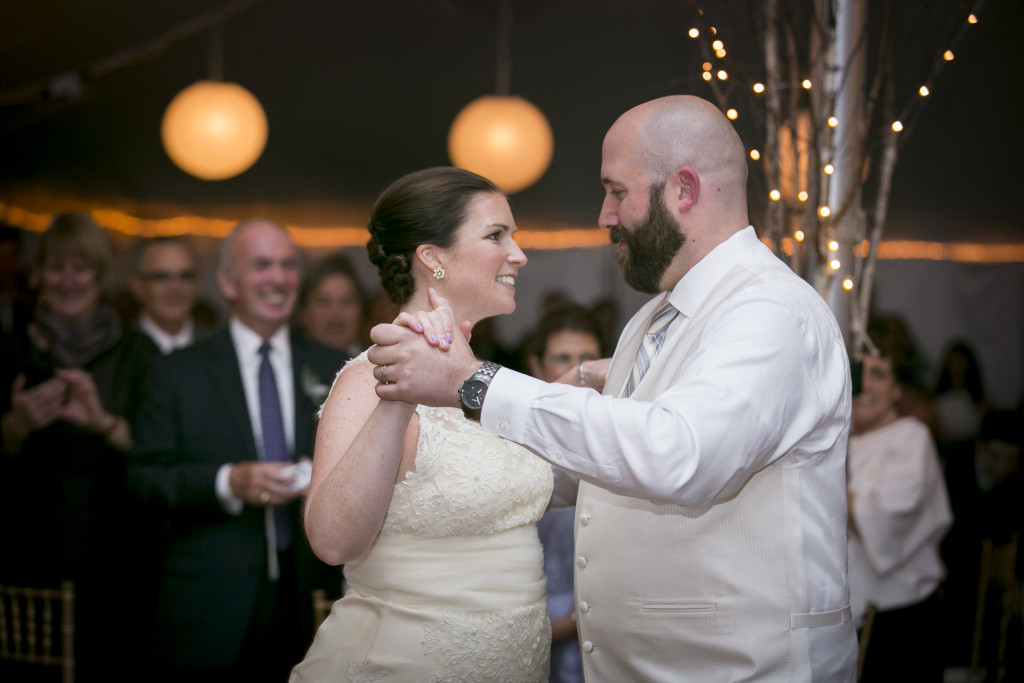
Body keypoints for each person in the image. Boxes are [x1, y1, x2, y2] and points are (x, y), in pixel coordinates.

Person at [368, 95, 857, 681]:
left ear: (684, 189)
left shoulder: (770, 310)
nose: (604, 215)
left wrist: (477, 384)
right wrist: (466, 478)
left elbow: (681, 456)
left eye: (617, 192)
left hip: (741, 669)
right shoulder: (652, 319)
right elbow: (603, 470)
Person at [290, 167, 553, 681]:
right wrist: (400, 396)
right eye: (497, 235)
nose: (518, 253)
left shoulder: (495, 381)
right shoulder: (368, 380)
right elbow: (332, 542)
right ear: (432, 258)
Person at [127, 218, 348, 681]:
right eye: (261, 265)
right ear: (227, 281)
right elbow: (144, 479)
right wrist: (227, 482)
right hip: (209, 602)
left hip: (313, 598)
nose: (279, 278)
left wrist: (328, 476)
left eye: (288, 266)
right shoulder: (177, 373)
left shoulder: (335, 369)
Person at [0, 212, 157, 679]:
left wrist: (102, 422)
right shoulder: (11, 350)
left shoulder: (136, 352)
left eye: (80, 268)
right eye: (56, 267)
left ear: (100, 274)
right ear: (40, 272)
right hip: (29, 552)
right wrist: (14, 426)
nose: (67, 280)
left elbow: (155, 454)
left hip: (116, 557)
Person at [846, 316, 952, 681]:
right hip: (851, 620)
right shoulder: (839, 441)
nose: (866, 386)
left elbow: (884, 517)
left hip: (898, 623)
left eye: (880, 374)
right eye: (861, 372)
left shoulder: (911, 438)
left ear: (897, 388)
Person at [524, 302, 605, 683]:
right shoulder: (509, 438)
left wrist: (574, 621)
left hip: (596, 624)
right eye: (562, 359)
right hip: (519, 617)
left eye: (586, 360)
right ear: (537, 366)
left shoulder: (614, 443)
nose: (577, 373)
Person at [129, 235, 213, 354]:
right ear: (138, 286)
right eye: (161, 277)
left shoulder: (220, 347)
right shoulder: (116, 352)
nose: (175, 288)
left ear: (198, 284)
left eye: (185, 276)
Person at [295, 250, 367, 355]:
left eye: (347, 302)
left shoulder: (379, 365)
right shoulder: (283, 365)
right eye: (323, 302)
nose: (336, 313)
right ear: (302, 312)